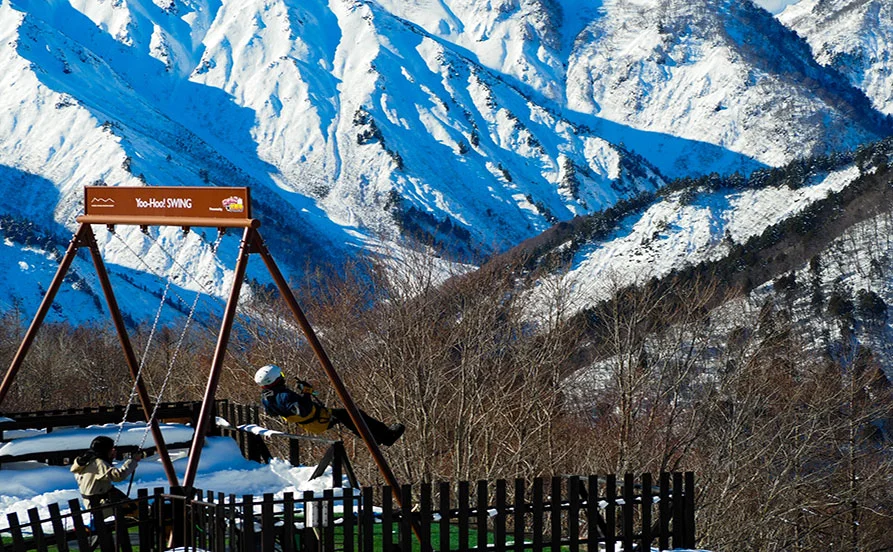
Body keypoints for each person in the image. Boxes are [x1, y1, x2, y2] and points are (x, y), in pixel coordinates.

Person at [254, 364, 405, 447]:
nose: (283, 377)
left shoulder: (267, 398)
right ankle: (384, 436)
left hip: (311, 422)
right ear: (274, 379)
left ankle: (375, 437)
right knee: (351, 414)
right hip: (317, 419)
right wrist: (306, 393)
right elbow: (303, 410)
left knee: (347, 416)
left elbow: (277, 412)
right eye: (281, 376)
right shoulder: (284, 395)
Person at [71, 436, 142, 519]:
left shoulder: (86, 460)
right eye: (111, 449)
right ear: (105, 450)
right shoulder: (98, 463)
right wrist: (133, 460)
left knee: (131, 504)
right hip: (100, 505)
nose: (113, 451)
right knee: (135, 508)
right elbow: (118, 476)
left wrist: (110, 458)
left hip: (92, 503)